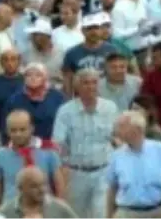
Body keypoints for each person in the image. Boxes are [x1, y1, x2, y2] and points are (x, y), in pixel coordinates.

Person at [51, 69, 120, 219]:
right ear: (77, 86)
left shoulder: (110, 108)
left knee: (101, 214)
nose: (90, 87)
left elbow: (118, 137)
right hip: (76, 172)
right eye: (85, 83)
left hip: (104, 171)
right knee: (75, 215)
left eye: (94, 82)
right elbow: (58, 143)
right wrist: (62, 168)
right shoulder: (65, 111)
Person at [104, 110, 161, 219]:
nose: (117, 130)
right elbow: (112, 189)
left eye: (122, 126)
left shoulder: (159, 149)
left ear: (137, 129)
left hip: (160, 211)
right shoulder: (117, 155)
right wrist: (109, 215)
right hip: (128, 213)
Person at [0, 109, 65, 211]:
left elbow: (59, 186)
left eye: (22, 129)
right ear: (7, 131)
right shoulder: (1, 154)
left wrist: (57, 212)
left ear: (31, 128)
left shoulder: (48, 151)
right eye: (13, 130)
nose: (18, 134)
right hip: (12, 210)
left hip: (42, 209)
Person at [0, 166, 79, 219]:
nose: (42, 190)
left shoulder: (59, 208)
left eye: (43, 184)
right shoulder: (6, 212)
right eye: (34, 186)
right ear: (20, 189)